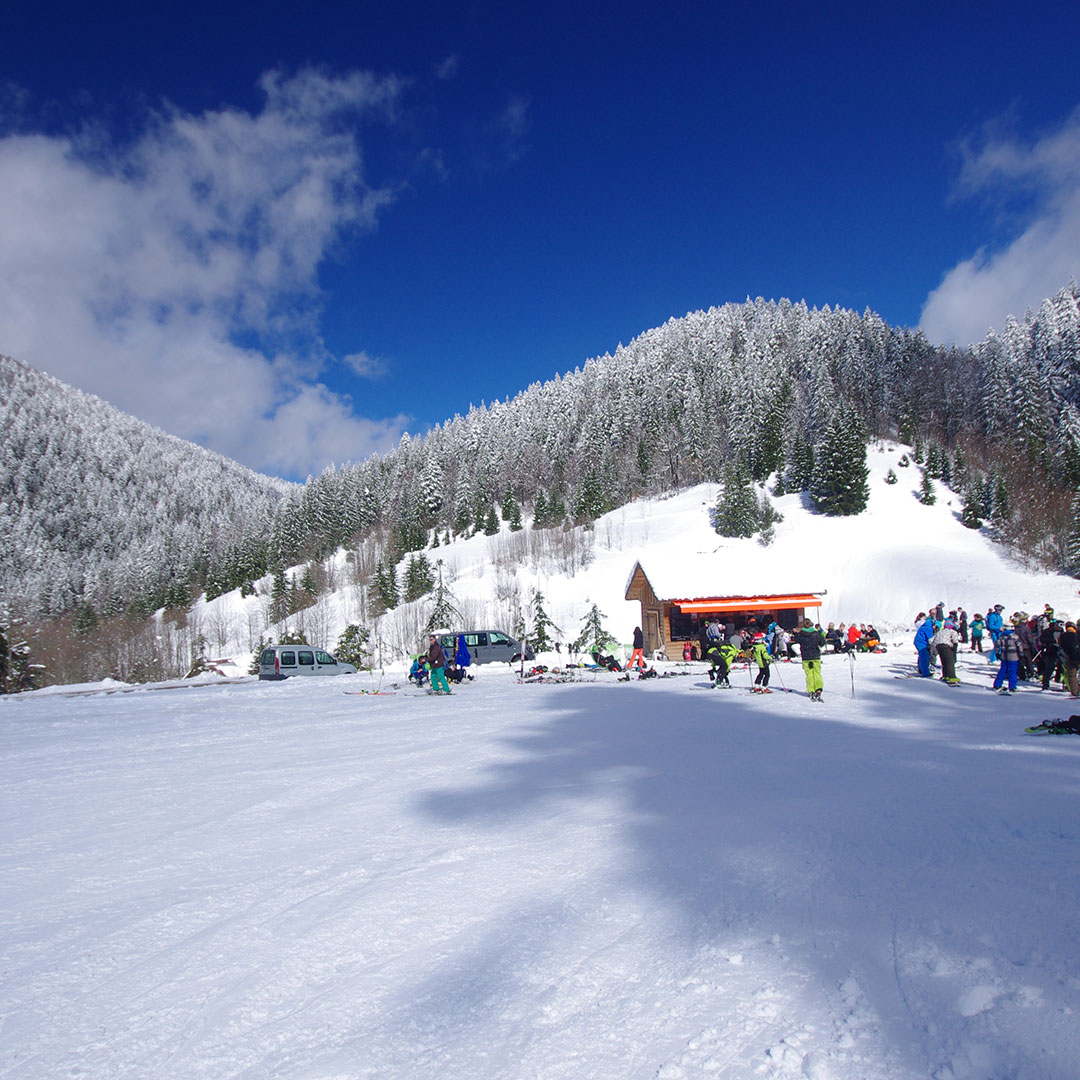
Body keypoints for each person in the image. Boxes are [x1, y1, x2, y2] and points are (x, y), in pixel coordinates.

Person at [793, 617, 826, 701]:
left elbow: (796, 640)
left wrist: (795, 633)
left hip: (806, 656)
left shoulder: (801, 634)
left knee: (809, 674)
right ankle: (818, 688)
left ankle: (810, 689)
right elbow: (822, 643)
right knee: (817, 673)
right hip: (815, 656)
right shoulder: (816, 633)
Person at [992, 624, 1021, 694]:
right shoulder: (1015, 636)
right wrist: (1021, 654)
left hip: (1004, 656)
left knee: (1003, 670)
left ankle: (997, 684)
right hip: (1013, 656)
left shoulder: (1001, 636)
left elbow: (997, 645)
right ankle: (1012, 686)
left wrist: (997, 653)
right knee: (1013, 671)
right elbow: (1019, 646)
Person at [932, 618, 961, 684]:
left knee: (944, 661)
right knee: (950, 661)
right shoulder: (952, 631)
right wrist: (954, 650)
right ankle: (952, 677)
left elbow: (932, 640)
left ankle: (945, 675)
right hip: (946, 646)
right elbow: (955, 640)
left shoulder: (940, 631)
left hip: (938, 646)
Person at [1060, 622, 1080, 698]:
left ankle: (1074, 691)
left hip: (1069, 657)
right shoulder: (1075, 635)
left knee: (1071, 675)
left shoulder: (1063, 635)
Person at [913, 613, 936, 677]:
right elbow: (930, 639)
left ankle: (921, 669)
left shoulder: (925, 625)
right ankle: (925, 673)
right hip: (921, 643)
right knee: (925, 657)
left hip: (919, 642)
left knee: (922, 656)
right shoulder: (928, 628)